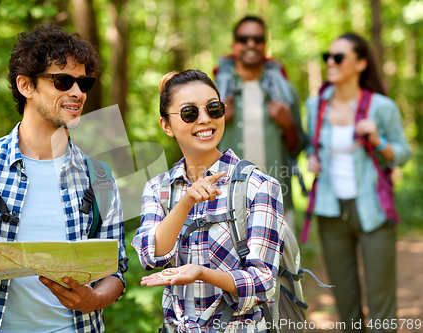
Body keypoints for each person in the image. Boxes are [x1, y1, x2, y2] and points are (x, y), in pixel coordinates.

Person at [0, 24, 127, 333]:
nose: (77, 93)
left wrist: (92, 299)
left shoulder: (99, 177)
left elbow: (117, 271)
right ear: (26, 86)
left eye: (83, 82)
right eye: (63, 81)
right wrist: (5, 260)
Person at [132, 69, 286, 333]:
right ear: (166, 126)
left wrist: (202, 273)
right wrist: (186, 202)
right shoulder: (158, 189)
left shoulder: (259, 186)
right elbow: (151, 256)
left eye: (213, 109)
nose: (204, 120)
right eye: (189, 113)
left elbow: (264, 282)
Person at [306, 33, 411, 332]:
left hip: (373, 211)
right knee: (345, 303)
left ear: (361, 63)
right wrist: (312, 158)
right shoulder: (316, 105)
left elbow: (402, 155)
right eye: (328, 55)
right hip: (330, 212)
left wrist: (378, 140)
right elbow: (312, 145)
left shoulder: (382, 107)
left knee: (381, 302)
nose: (330, 62)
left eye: (339, 57)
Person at [214, 15, 306, 232]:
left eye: (257, 38)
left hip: (277, 200)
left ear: (265, 44)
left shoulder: (285, 92)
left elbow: (298, 147)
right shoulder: (214, 93)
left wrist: (288, 124)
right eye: (244, 39)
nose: (251, 44)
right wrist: (217, 121)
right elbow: (195, 145)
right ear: (234, 44)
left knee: (284, 267)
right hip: (226, 202)